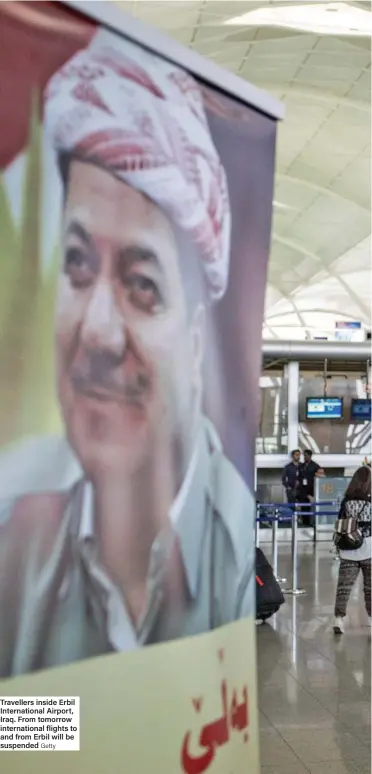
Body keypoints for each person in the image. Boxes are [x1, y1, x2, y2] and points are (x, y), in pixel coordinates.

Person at [0, 34, 255, 677]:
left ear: (198, 345)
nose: (100, 334)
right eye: (79, 264)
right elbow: (28, 731)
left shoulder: (235, 547)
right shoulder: (13, 520)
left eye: (143, 285)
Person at [334, 466, 371, 634]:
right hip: (369, 549)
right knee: (370, 588)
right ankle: (371, 620)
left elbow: (340, 523)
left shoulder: (346, 501)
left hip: (348, 547)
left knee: (344, 587)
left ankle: (338, 620)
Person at [299, 449, 325, 526]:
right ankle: (304, 523)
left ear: (310, 456)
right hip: (303, 490)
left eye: (306, 455)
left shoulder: (315, 466)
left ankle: (312, 522)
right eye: (303, 455)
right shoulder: (301, 466)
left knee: (312, 507)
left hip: (312, 489)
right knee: (304, 507)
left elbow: (320, 476)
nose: (304, 457)